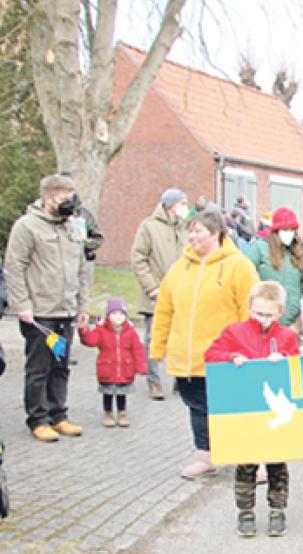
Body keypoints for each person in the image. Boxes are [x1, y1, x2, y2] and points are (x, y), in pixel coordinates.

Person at [150, 210, 259, 478]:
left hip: (226, 357)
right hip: (188, 357)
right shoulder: (179, 269)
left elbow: (251, 309)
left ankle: (249, 460)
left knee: (234, 409)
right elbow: (165, 309)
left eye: (199, 231)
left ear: (215, 233)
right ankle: (205, 455)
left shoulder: (239, 266)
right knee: (198, 408)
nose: (192, 237)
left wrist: (250, 348)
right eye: (191, 231)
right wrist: (158, 347)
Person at [204, 281, 300, 538]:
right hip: (245, 411)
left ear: (280, 312)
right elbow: (211, 354)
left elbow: (299, 368)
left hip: (275, 412)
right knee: (246, 465)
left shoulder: (287, 336)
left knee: (277, 464)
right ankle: (245, 512)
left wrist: (286, 360)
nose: (263, 319)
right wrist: (230, 357)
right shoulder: (234, 332)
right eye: (258, 313)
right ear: (249, 308)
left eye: (269, 314)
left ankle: (278, 510)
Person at [3, 174, 89, 442]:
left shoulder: (73, 228)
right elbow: (14, 267)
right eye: (65, 197)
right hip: (40, 312)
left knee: (61, 366)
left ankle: (58, 415)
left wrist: (82, 304)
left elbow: (82, 269)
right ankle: (38, 418)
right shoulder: (27, 227)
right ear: (49, 197)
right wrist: (22, 305)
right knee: (39, 368)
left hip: (66, 310)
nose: (70, 202)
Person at [130, 187, 189, 400]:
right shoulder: (149, 227)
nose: (185, 208)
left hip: (182, 295)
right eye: (182, 203)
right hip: (156, 294)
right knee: (154, 338)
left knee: (181, 337)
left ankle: (179, 380)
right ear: (171, 205)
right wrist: (151, 287)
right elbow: (138, 258)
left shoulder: (186, 228)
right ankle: (154, 380)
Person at [78, 298, 147, 428]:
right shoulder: (101, 330)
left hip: (125, 369)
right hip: (107, 368)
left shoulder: (131, 332)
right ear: (108, 316)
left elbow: (138, 349)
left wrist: (141, 366)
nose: (118, 317)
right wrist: (84, 330)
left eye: (121, 314)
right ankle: (108, 412)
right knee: (108, 393)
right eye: (114, 314)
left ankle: (122, 412)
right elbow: (90, 341)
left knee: (122, 393)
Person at [246, 207, 303, 327]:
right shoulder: (259, 248)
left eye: (292, 229)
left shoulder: (300, 251)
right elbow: (246, 276)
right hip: (264, 319)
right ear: (276, 230)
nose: (289, 233)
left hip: (291, 320)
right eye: (285, 229)